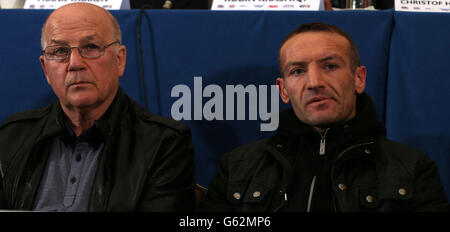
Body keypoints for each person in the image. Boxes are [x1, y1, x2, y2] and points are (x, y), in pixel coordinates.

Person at [200, 22, 449, 212]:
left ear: (359, 78)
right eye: (297, 71)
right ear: (283, 90)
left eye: (330, 66)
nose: (314, 83)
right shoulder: (236, 167)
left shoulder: (413, 168)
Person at [0, 3, 195, 211]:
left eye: (91, 47)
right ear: (45, 69)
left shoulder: (163, 145)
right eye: (59, 51)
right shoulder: (11, 137)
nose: (75, 63)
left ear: (119, 60)